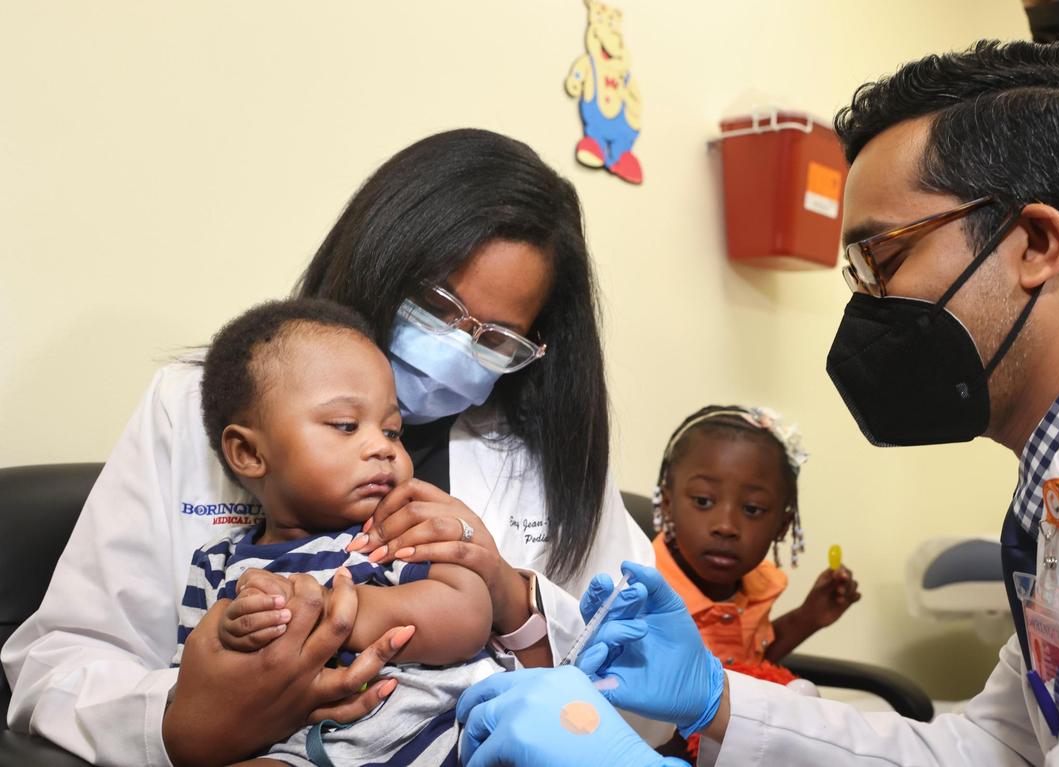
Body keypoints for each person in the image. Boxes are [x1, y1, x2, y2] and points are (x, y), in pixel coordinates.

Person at [454, 39, 1059, 765]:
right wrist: (716, 696)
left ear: (1035, 243)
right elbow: (986, 750)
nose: (866, 305)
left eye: (881, 258)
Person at [2, 129, 654, 766]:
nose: (458, 347)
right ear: (378, 255)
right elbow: (60, 660)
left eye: (497, 338)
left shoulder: (548, 457)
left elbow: (653, 696)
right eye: (436, 302)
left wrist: (515, 603)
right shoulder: (195, 403)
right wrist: (188, 724)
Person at [180, 297, 501, 766]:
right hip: (306, 749)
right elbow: (193, 681)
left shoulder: (385, 533)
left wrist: (337, 609)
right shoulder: (215, 565)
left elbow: (467, 615)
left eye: (393, 431)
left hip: (441, 731)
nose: (382, 447)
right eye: (346, 425)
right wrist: (238, 633)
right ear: (248, 453)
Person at [651, 405, 859, 669]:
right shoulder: (639, 594)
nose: (726, 526)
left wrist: (808, 617)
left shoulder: (757, 587)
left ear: (781, 527)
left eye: (752, 509)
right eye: (703, 501)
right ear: (667, 504)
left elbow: (746, 666)